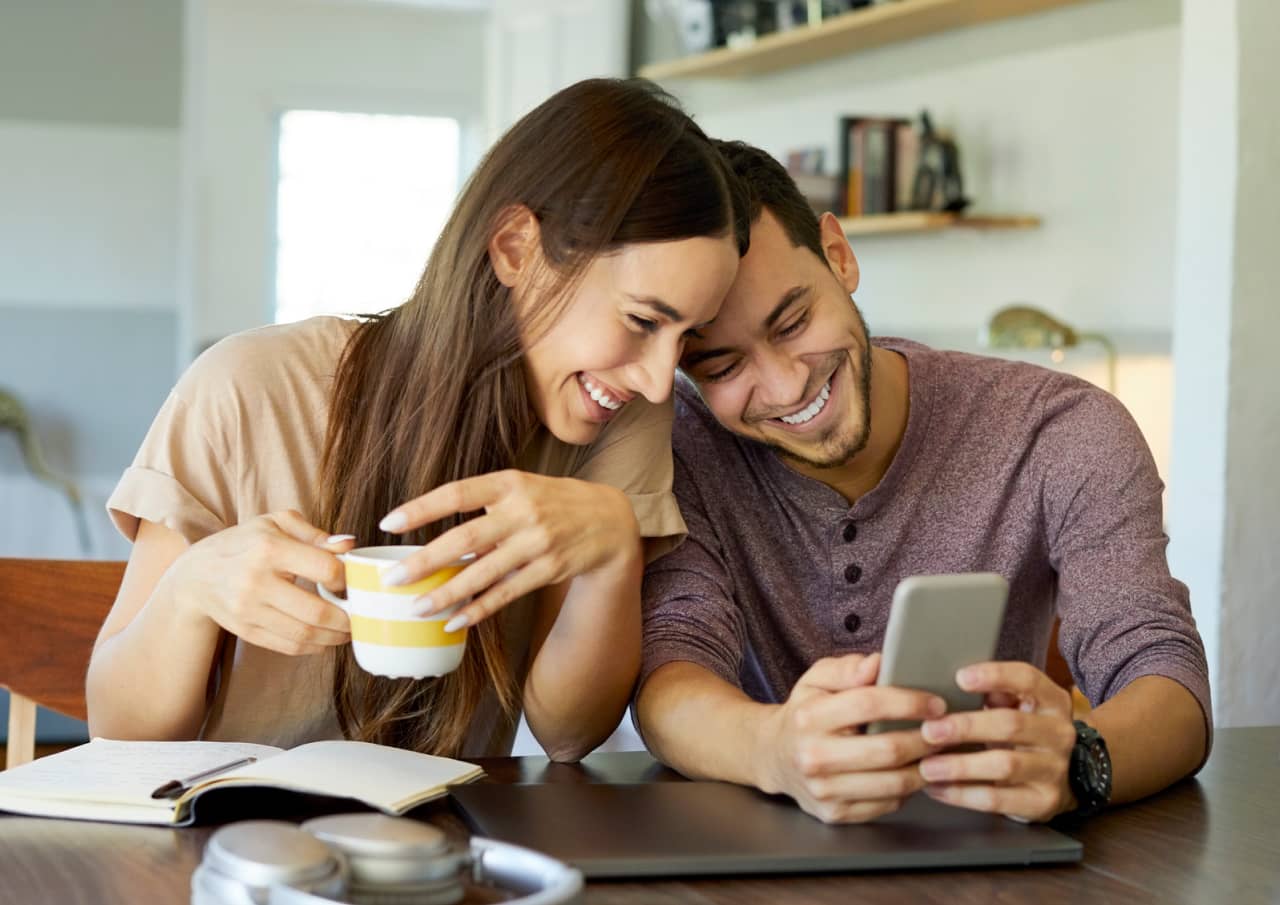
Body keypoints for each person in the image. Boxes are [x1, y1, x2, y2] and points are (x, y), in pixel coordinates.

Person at [86, 78, 747, 762]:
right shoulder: (247, 389)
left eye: (686, 339)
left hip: (447, 846)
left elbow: (568, 733)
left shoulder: (619, 415)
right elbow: (115, 726)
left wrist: (610, 553)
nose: (655, 376)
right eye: (643, 320)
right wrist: (190, 592)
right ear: (517, 248)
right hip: (237, 841)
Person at [635, 139, 1211, 824]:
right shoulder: (680, 453)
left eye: (793, 321)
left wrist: (1080, 760)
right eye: (723, 366)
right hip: (751, 863)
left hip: (989, 858)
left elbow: (1167, 676)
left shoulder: (1061, 430)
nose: (786, 384)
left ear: (839, 256)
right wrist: (774, 749)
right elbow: (670, 672)